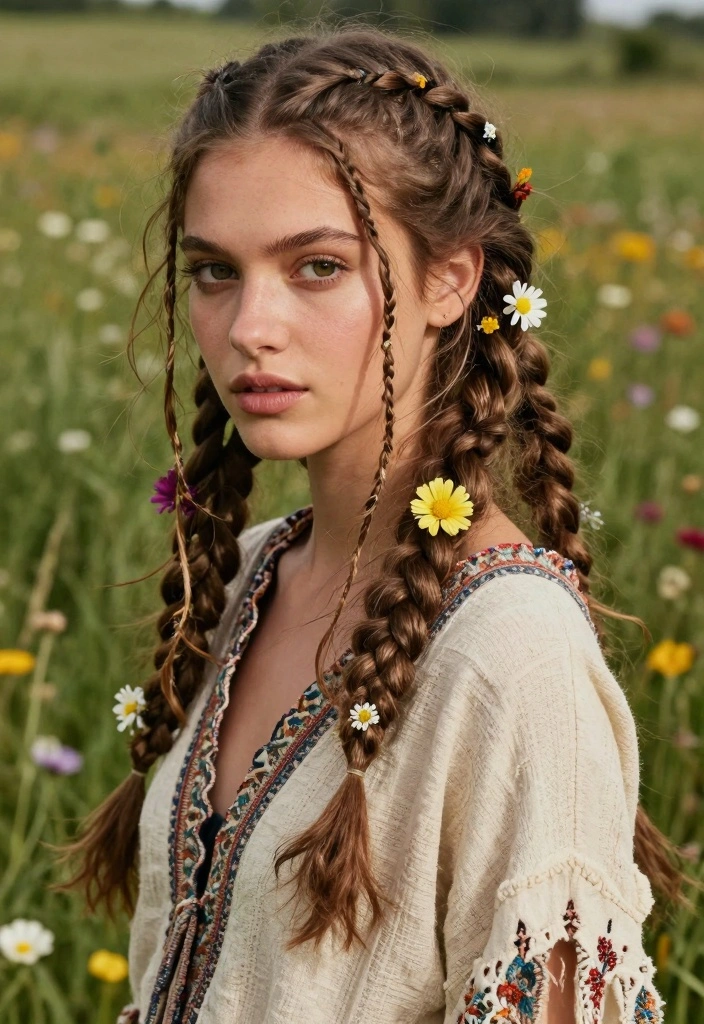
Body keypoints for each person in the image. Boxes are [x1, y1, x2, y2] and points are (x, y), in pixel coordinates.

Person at [50, 23, 692, 1024]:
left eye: (315, 267)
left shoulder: (510, 657)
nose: (249, 324)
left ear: (450, 278)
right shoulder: (250, 579)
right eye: (215, 270)